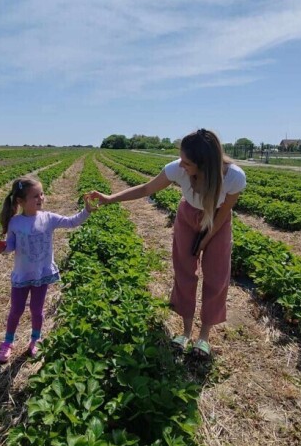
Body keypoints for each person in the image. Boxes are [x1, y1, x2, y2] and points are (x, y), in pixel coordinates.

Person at [87, 129, 246, 358]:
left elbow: (224, 213)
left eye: (187, 162)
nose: (181, 165)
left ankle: (204, 337)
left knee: (216, 275)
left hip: (217, 221)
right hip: (188, 217)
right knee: (184, 272)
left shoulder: (234, 177)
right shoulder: (177, 169)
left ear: (205, 164)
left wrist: (206, 239)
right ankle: (186, 332)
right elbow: (146, 189)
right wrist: (110, 198)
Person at [0, 177, 96, 363]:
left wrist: (86, 210)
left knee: (36, 309)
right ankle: (8, 342)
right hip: (22, 275)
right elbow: (11, 247)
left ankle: (35, 339)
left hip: (41, 274)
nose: (41, 198)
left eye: (42, 194)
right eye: (35, 196)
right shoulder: (15, 223)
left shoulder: (48, 218)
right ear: (20, 201)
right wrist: (2, 248)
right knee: (16, 310)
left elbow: (72, 222)